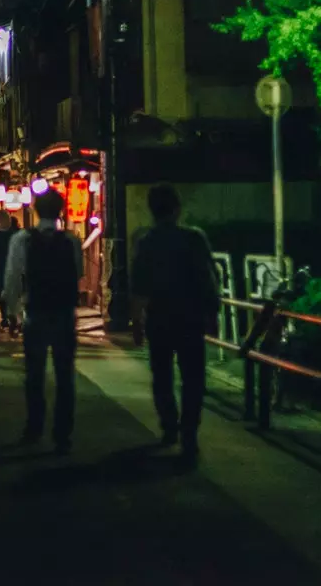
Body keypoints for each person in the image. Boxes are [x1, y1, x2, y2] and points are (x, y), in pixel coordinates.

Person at [130, 184, 219, 466]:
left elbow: (139, 285)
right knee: (194, 379)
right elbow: (208, 279)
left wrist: (137, 321)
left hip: (160, 318)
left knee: (162, 374)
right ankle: (189, 433)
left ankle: (169, 425)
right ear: (177, 209)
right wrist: (212, 315)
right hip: (190, 318)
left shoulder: (146, 241)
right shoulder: (194, 238)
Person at [4, 189, 82, 455]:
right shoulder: (71, 240)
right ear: (61, 211)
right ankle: (63, 434)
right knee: (64, 376)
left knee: (34, 375)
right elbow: (78, 273)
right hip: (63, 314)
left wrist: (12, 313)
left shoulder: (23, 239)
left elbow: (13, 277)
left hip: (35, 313)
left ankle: (34, 427)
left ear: (35, 211)